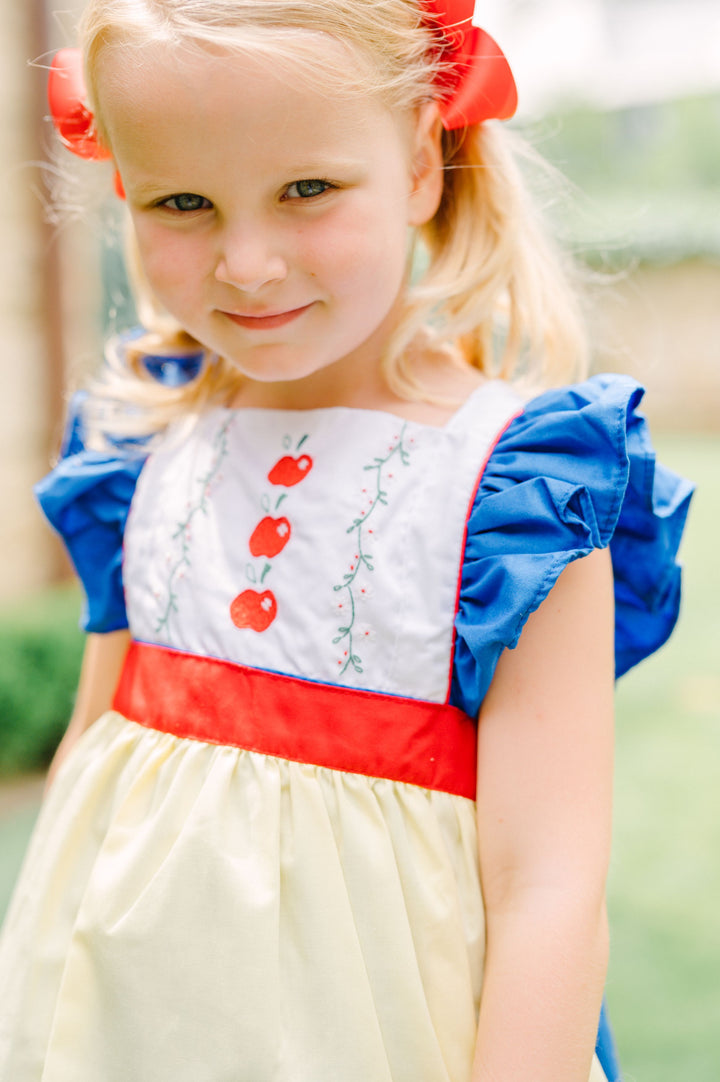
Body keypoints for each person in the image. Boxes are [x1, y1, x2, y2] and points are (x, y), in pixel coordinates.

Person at [0, 2, 693, 1080]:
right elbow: (97, 754)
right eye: (184, 200)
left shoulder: (518, 487)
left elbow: (546, 883)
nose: (248, 263)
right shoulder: (139, 441)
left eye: (306, 190)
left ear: (422, 163)